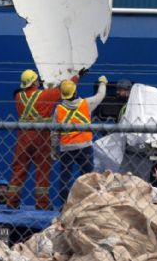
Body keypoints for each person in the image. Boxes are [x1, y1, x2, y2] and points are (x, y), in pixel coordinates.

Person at [7, 68, 81, 210]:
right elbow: (64, 90)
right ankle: (42, 204)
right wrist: (76, 77)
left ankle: (12, 202)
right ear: (35, 81)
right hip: (41, 136)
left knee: (19, 168)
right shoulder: (44, 95)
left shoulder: (18, 97)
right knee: (43, 169)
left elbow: (32, 97)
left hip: (23, 137)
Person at [53, 75, 107, 203]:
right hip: (84, 147)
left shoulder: (58, 109)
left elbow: (54, 133)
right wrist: (103, 82)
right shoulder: (86, 104)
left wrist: (54, 149)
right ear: (75, 91)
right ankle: (88, 202)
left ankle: (65, 204)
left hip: (66, 148)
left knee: (65, 177)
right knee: (88, 176)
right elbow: (100, 96)